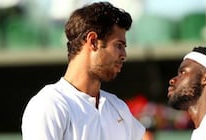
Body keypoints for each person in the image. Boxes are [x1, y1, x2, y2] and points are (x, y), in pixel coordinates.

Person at [21, 2, 145, 140]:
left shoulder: (119, 108)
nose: (124, 55)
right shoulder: (49, 104)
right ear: (92, 41)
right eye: (119, 45)